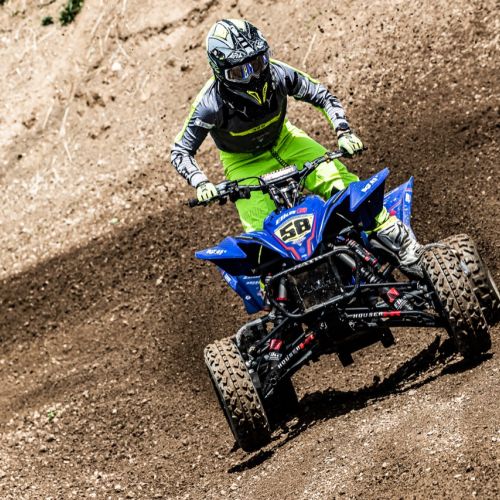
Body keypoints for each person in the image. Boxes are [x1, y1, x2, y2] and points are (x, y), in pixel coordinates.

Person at [171, 19, 422, 271]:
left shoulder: (280, 74)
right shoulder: (209, 105)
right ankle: (275, 289)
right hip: (243, 162)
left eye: (257, 63)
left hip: (287, 141)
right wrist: (201, 182)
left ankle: (402, 243)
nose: (254, 75)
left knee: (342, 183)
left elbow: (322, 96)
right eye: (240, 71)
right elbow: (181, 151)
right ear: (220, 72)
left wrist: (344, 132)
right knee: (259, 237)